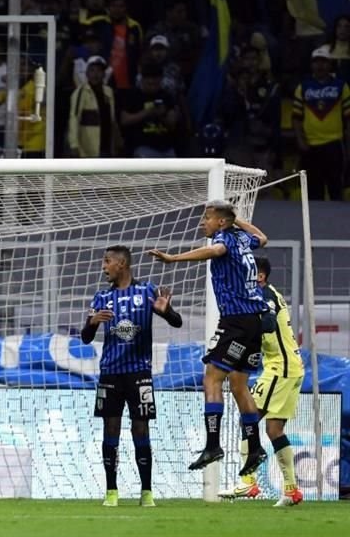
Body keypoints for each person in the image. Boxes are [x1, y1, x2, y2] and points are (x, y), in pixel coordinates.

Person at [148, 200, 269, 475]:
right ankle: (256, 447)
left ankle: (213, 445)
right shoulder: (242, 237)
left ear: (220, 223)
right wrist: (237, 220)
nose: (204, 223)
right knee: (239, 385)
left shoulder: (225, 239)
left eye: (207, 218)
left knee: (212, 377)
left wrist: (173, 258)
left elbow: (215, 250)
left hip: (235, 322)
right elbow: (263, 238)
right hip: (254, 322)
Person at [81, 246, 184, 508]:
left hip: (139, 372)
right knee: (110, 429)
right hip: (110, 373)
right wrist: (92, 323)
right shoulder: (102, 297)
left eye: (107, 262)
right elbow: (85, 337)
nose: (103, 267)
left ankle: (146, 491)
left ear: (122, 264)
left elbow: (177, 322)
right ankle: (111, 491)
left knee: (141, 428)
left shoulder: (147, 291)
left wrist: (166, 311)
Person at [219, 257, 305, 507]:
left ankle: (248, 480)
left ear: (260, 276)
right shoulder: (264, 293)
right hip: (290, 367)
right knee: (274, 430)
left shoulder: (263, 294)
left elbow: (267, 323)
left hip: (281, 368)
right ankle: (291, 491)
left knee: (248, 416)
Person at [292, 46, 350, 201]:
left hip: (334, 144)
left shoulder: (341, 86)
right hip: (310, 147)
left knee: (336, 189)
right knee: (313, 191)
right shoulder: (303, 87)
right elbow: (296, 118)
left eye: (323, 62)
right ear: (311, 64)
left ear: (330, 64)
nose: (320, 66)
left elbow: (348, 117)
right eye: (316, 62)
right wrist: (300, 140)